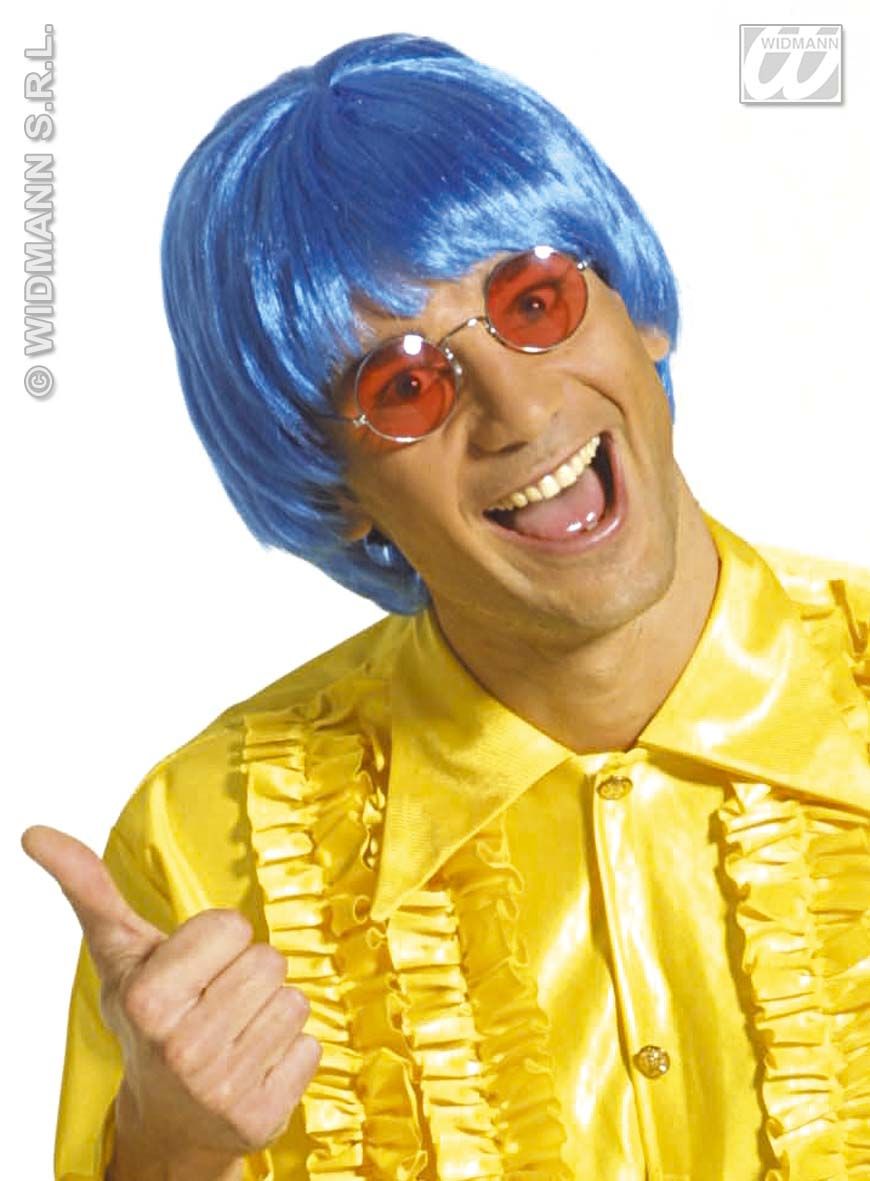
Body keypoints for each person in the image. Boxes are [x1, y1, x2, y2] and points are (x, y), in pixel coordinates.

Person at [22, 31, 870, 1181]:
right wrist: (170, 1149)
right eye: (407, 385)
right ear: (337, 492)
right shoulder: (206, 845)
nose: (520, 408)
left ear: (639, 314)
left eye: (535, 300)